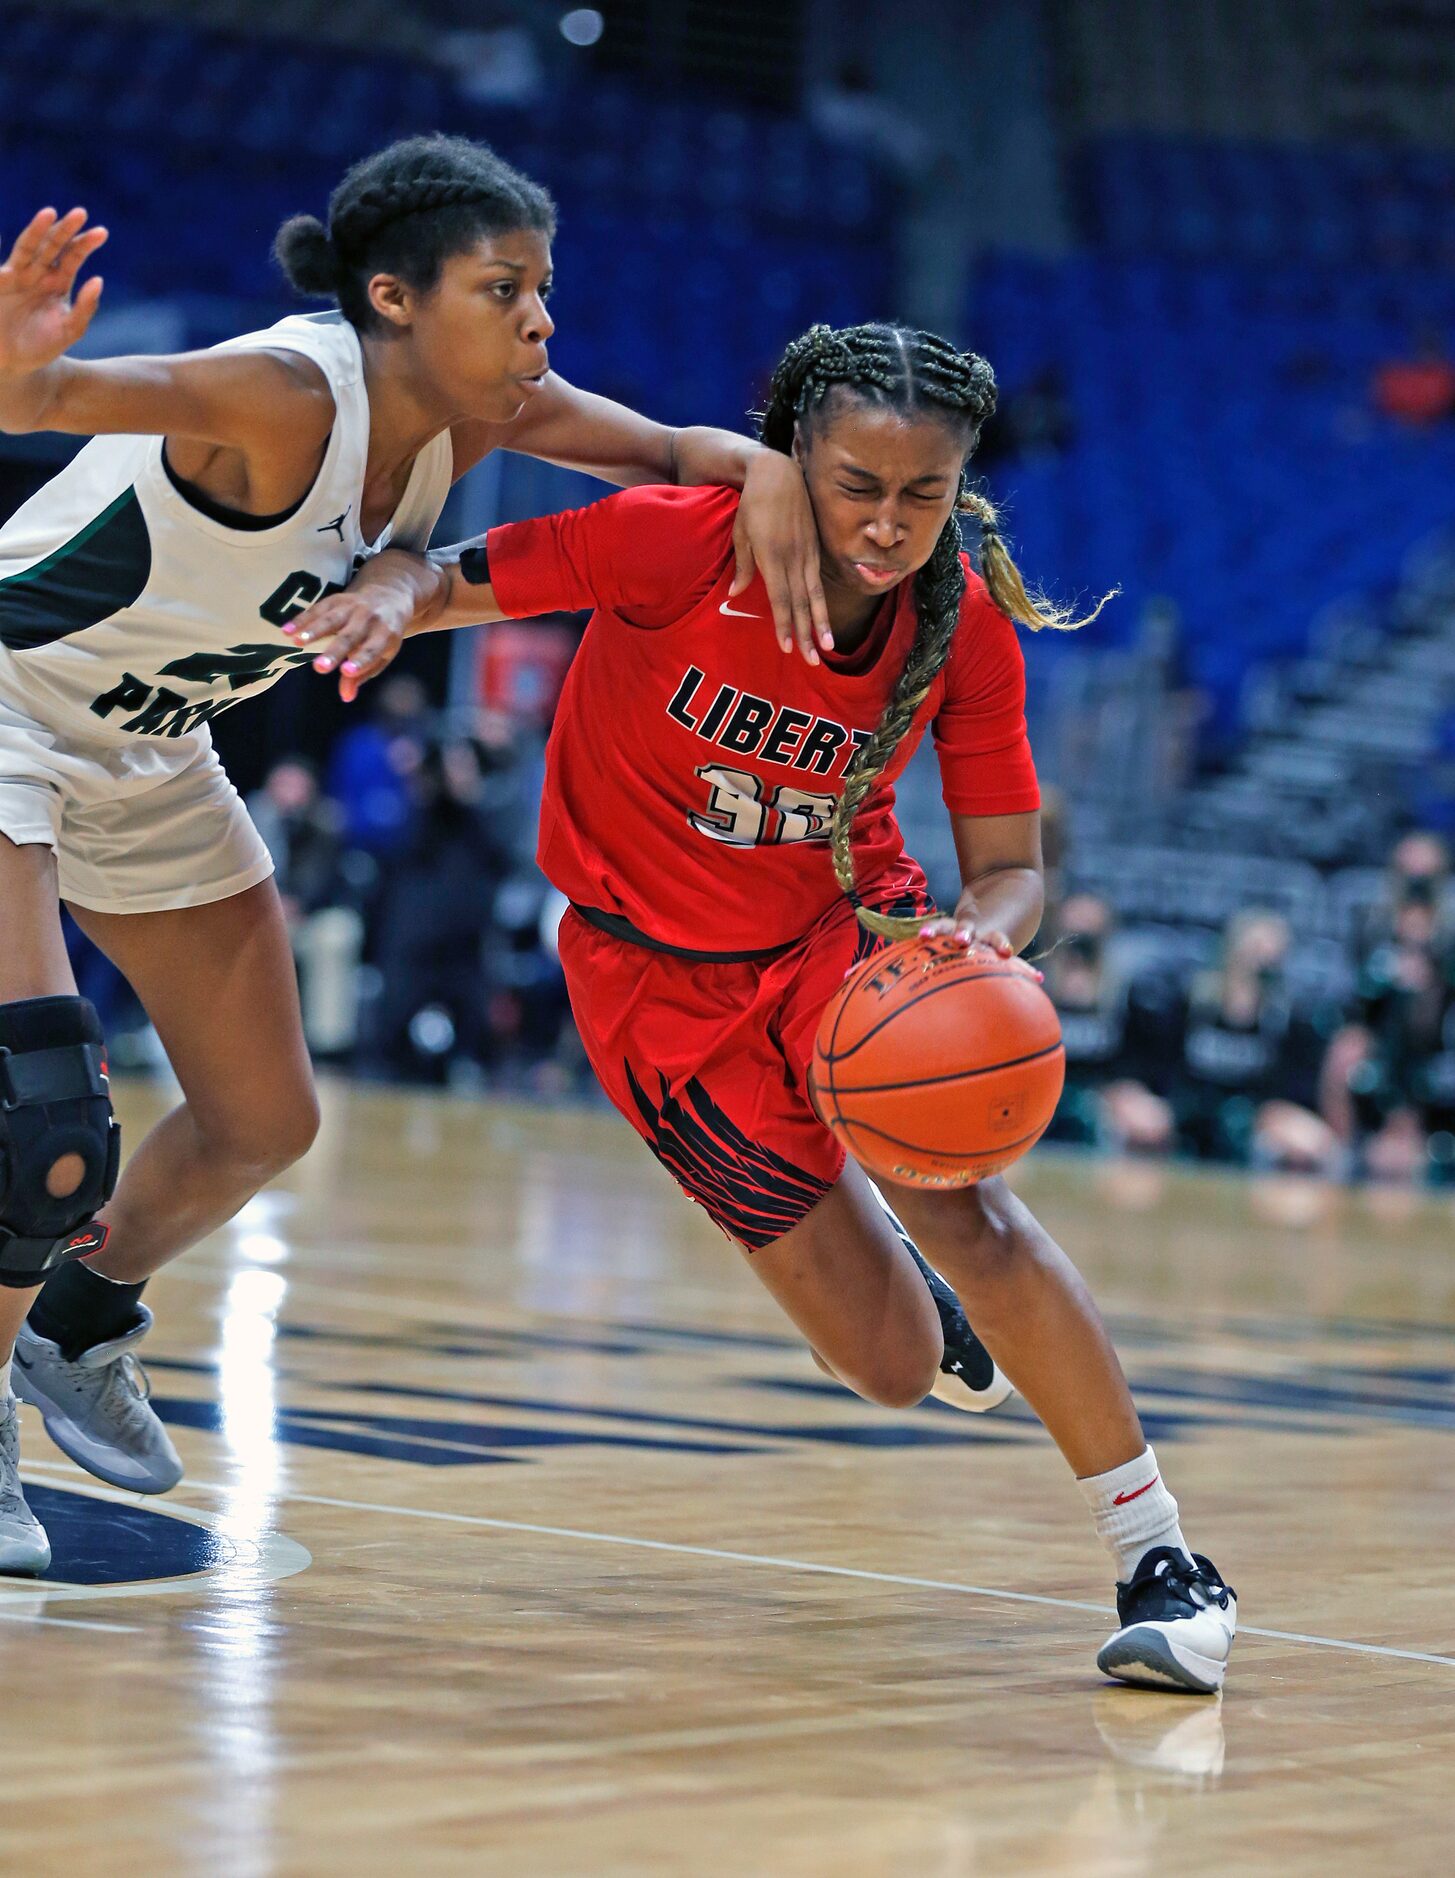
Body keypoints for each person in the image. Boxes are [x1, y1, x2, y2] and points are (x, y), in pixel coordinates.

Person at [293, 321, 1238, 1694]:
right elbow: (455, 583)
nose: (888, 524)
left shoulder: (961, 619)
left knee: (970, 1205)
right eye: (858, 484)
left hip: (848, 939)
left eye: (923, 494)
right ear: (797, 456)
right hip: (649, 984)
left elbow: (1017, 867)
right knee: (893, 1367)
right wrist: (388, 598)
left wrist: (978, 947)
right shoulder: (678, 540)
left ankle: (1163, 1556)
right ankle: (924, 1301)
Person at [0, 132, 830, 1575]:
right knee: (45, 1125)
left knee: (264, 1119)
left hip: (152, 745)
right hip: (10, 705)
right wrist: (24, 354)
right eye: (505, 289)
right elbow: (39, 397)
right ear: (392, 297)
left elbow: (689, 456)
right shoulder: (279, 391)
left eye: (544, 289)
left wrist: (764, 473)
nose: (539, 321)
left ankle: (70, 1328)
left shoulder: (484, 412)